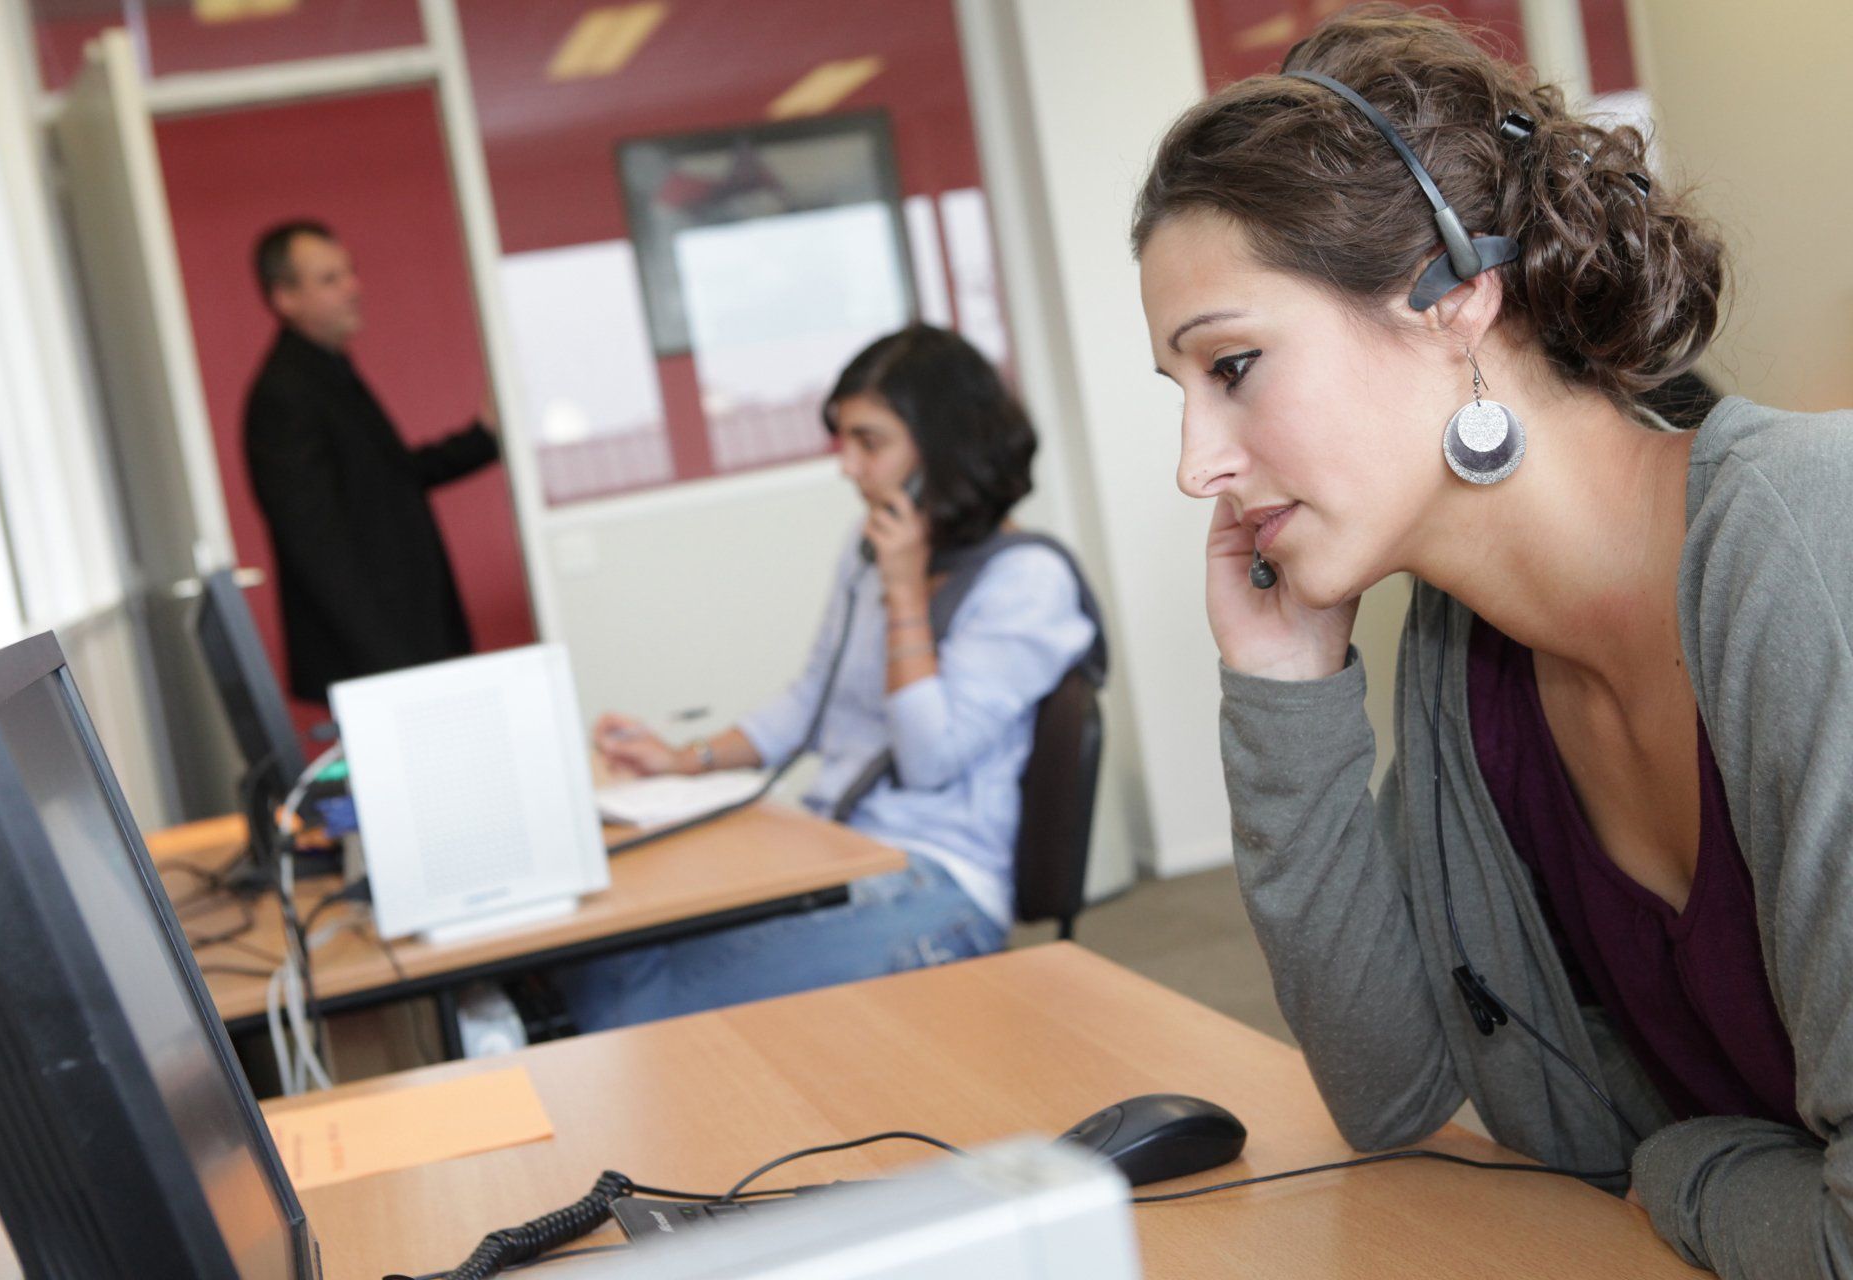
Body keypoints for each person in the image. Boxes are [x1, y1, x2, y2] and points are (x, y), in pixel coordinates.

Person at [1134, 9, 1851, 1278]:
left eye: (1233, 366)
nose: (1201, 465)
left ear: (1457, 300)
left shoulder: (1805, 555)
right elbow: (1395, 1094)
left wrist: (1680, 1164)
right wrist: (1283, 684)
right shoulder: (1471, 666)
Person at [557, 324, 1101, 1031]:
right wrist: (682, 759)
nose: (848, 466)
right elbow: (811, 700)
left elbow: (929, 759)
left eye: (869, 443)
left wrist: (906, 596)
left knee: (642, 1004)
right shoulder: (867, 546)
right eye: (844, 442)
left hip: (938, 884)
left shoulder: (1026, 580)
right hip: (838, 851)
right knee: (604, 956)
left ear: (942, 446)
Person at [243, 220, 500, 703]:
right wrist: (392, 668)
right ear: (285, 298)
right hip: (383, 661)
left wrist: (484, 437)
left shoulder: (327, 372)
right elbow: (317, 547)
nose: (353, 288)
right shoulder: (287, 392)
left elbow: (392, 478)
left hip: (400, 648)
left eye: (349, 273)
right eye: (329, 279)